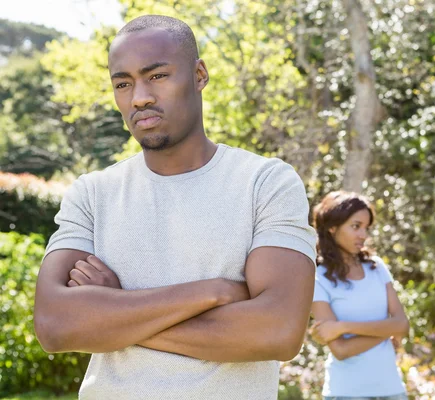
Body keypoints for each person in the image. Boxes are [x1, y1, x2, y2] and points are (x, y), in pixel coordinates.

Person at [33, 15, 316, 400]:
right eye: (123, 83)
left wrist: (116, 312)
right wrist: (213, 292)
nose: (140, 97)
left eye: (158, 76)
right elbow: (53, 326)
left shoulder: (265, 183)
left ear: (199, 75)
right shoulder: (92, 193)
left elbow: (278, 332)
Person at [309, 191, 409, 400]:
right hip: (346, 393)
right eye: (356, 226)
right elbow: (341, 350)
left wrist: (342, 327)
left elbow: (402, 326)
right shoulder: (318, 277)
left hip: (392, 390)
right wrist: (386, 329)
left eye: (366, 228)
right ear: (332, 227)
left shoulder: (377, 267)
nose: (363, 235)